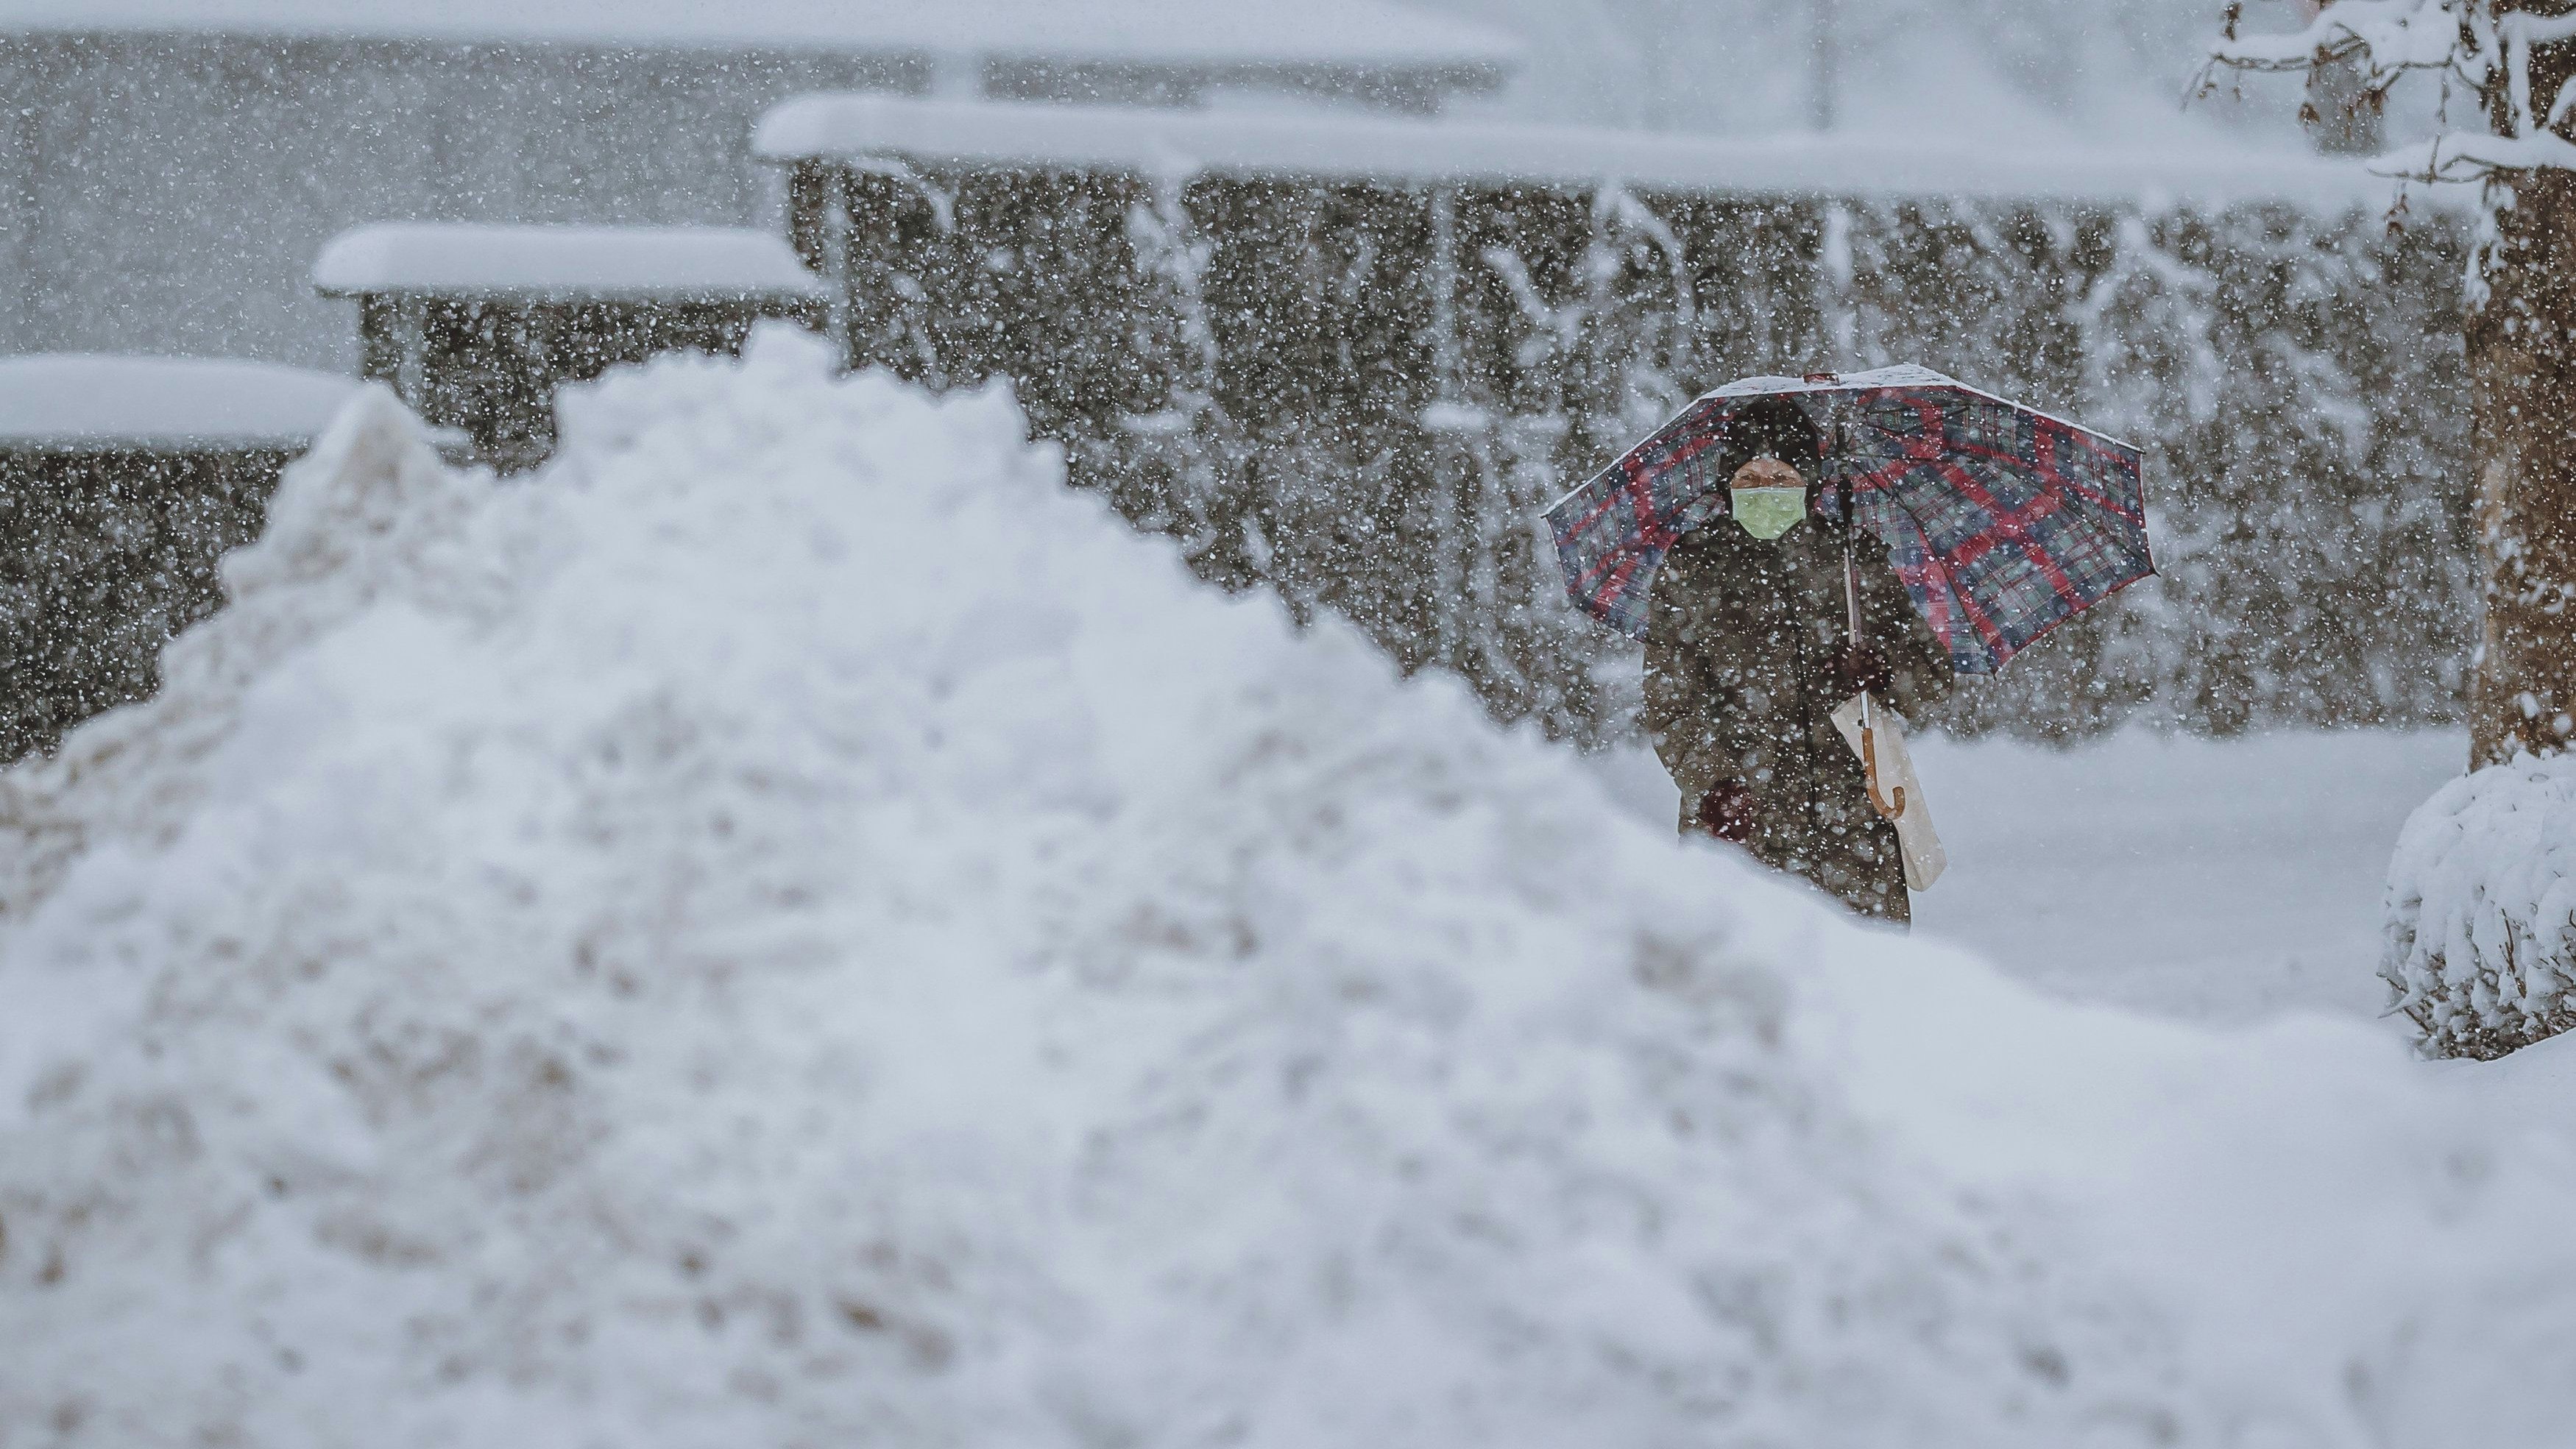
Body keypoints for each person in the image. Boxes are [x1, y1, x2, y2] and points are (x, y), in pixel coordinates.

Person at [1643, 397, 1952, 924]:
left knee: (1860, 973)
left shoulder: (1854, 560)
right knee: (1742, 969)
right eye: (1748, 478)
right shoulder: (1692, 568)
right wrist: (1715, 784)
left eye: (1782, 477)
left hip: (1853, 833)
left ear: (1810, 484)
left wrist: (1881, 670)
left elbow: (1930, 681)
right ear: (1726, 486)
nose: (1765, 490)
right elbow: (1671, 701)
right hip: (1740, 828)